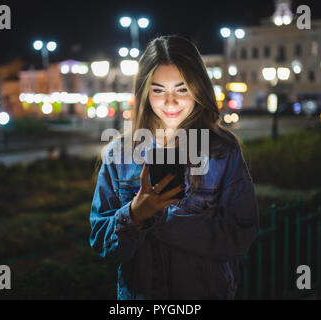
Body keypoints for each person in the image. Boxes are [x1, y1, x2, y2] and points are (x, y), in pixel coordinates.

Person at [90, 35, 259, 300]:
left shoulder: (222, 152)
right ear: (145, 92)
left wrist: (161, 220)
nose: (170, 102)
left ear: (198, 88)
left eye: (182, 89)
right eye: (158, 90)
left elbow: (240, 234)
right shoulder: (118, 155)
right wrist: (133, 215)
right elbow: (102, 245)